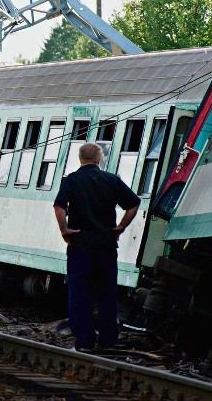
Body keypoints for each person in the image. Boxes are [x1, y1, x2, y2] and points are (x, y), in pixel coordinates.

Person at [53, 143, 141, 351]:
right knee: (107, 293)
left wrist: (64, 229)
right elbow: (133, 204)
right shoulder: (112, 180)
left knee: (79, 293)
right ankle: (108, 341)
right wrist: (120, 227)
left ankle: (84, 342)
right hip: (106, 246)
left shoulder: (72, 180)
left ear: (80, 158)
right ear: (99, 159)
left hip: (80, 245)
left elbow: (59, 206)